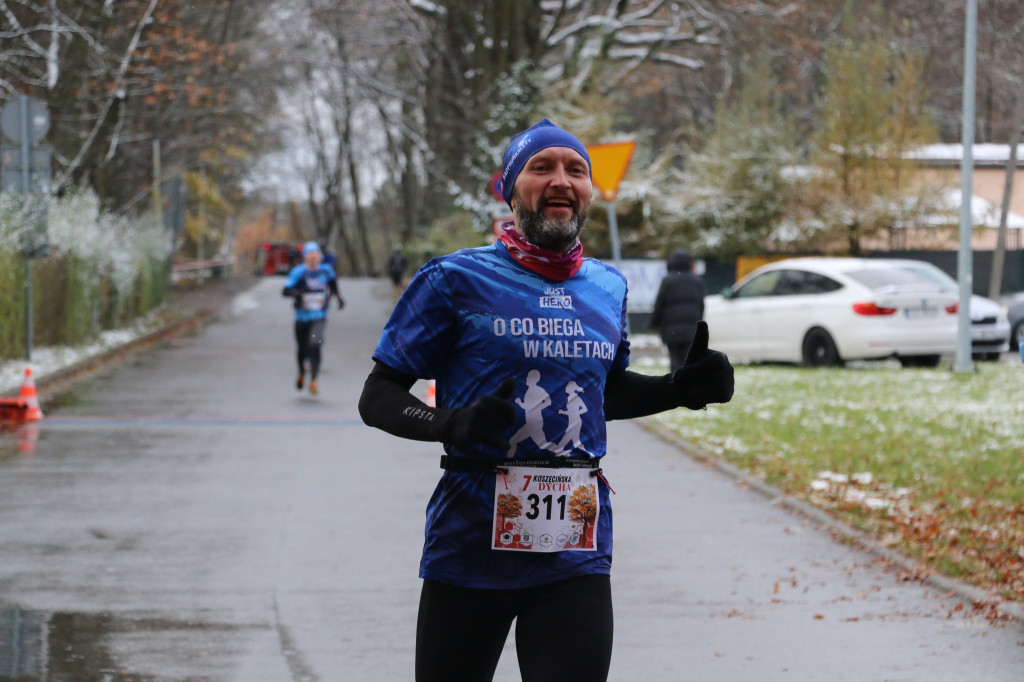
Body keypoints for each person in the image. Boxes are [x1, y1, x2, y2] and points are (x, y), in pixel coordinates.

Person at [358, 119, 734, 682]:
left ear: (588, 191)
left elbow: (598, 392)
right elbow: (378, 395)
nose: (561, 179)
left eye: (576, 169)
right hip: (469, 540)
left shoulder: (607, 287)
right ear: (511, 190)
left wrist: (676, 391)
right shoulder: (453, 279)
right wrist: (450, 423)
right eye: (542, 167)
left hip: (575, 546)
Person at [282, 241, 344, 395]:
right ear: (305, 257)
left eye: (316, 253)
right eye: (310, 254)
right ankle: (302, 372)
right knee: (302, 348)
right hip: (302, 317)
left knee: (315, 343)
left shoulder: (326, 270)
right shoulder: (299, 272)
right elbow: (285, 291)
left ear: (320, 256)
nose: (314, 256)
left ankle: (314, 381)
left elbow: (333, 284)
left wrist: (339, 297)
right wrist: (298, 292)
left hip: (320, 316)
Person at [649, 249, 707, 371]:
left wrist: (654, 323)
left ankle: (676, 386)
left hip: (671, 330)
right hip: (691, 329)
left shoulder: (668, 281)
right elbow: (701, 305)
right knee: (689, 361)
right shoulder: (697, 281)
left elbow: (660, 304)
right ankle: (689, 387)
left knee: (675, 361)